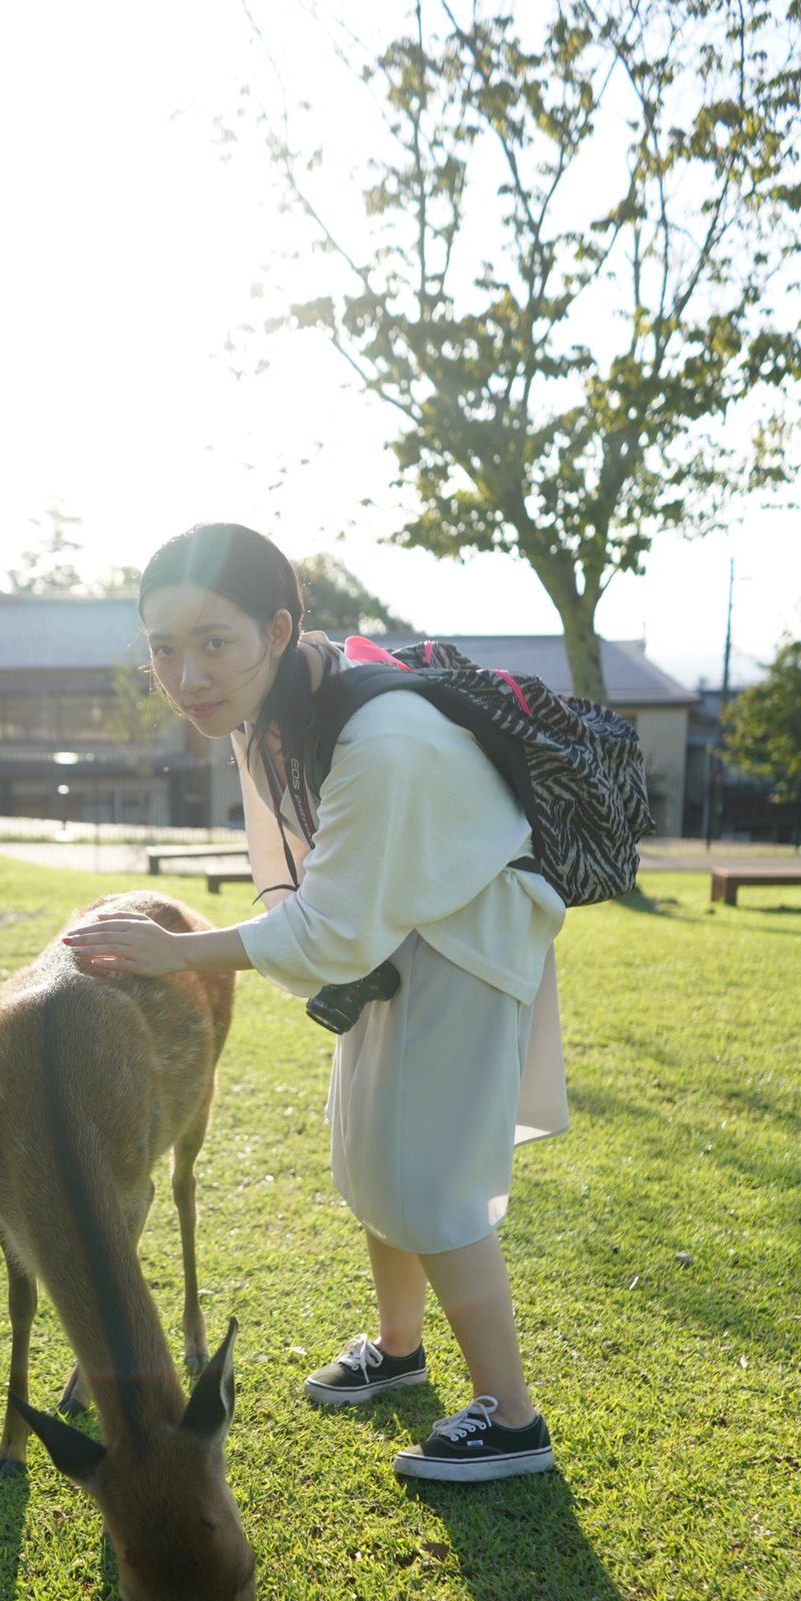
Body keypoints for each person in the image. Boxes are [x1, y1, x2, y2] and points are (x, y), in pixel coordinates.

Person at [62, 523, 569, 1482]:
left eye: (214, 641)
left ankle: (512, 1420)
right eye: (164, 648)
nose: (187, 674)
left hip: (462, 942)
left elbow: (329, 928)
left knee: (431, 1180)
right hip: (395, 942)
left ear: (278, 627)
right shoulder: (272, 711)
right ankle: (400, 1348)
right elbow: (292, 881)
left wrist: (176, 952)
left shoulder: (379, 735)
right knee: (368, 1156)